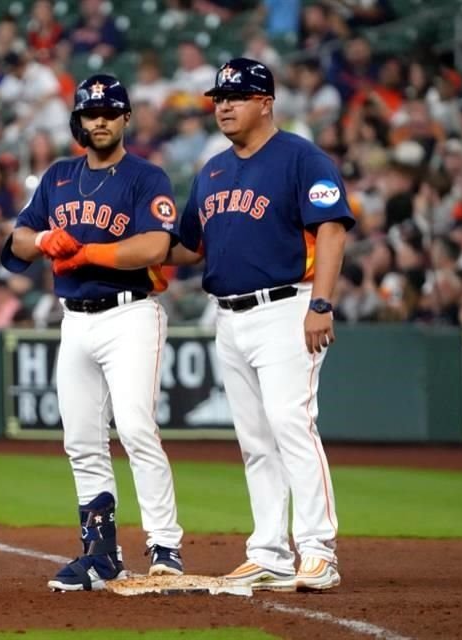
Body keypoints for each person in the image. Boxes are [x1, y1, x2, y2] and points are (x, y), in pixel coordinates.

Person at [167, 58, 355, 592]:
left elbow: (333, 230)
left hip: (287, 308)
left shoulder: (301, 157)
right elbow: (186, 244)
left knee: (291, 424)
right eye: (218, 98)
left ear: (265, 102)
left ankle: (318, 549)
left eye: (235, 97)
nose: (223, 106)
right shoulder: (213, 169)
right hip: (228, 316)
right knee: (254, 438)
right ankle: (269, 550)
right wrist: (131, 254)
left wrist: (321, 305)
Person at [1, 74, 184, 591]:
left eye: (108, 111)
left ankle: (165, 547)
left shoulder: (146, 177)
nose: (98, 120)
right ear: (77, 120)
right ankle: (101, 554)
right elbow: (15, 242)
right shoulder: (58, 176)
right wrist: (42, 238)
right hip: (75, 319)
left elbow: (154, 247)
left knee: (135, 427)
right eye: (89, 112)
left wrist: (86, 252)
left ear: (125, 118)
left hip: (130, 313)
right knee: (81, 438)